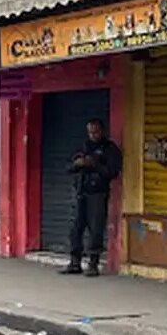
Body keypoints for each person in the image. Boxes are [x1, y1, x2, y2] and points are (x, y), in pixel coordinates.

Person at [59, 118, 122, 278]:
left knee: (96, 230)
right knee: (76, 229)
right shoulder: (83, 147)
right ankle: (75, 262)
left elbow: (112, 172)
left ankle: (93, 263)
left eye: (96, 132)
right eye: (90, 132)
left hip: (98, 194)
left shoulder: (109, 149)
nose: (93, 135)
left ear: (102, 131)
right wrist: (78, 164)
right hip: (81, 192)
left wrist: (94, 165)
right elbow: (68, 167)